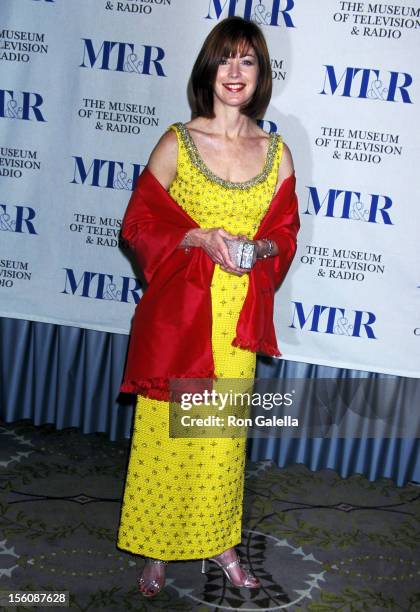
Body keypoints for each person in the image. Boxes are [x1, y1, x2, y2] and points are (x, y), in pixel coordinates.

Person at [117, 16, 300, 598]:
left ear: (261, 73)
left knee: (220, 446)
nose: (235, 72)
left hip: (237, 321)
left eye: (247, 61)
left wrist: (263, 246)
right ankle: (155, 548)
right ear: (208, 68)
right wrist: (194, 237)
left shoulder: (276, 152)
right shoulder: (177, 141)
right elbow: (138, 224)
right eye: (225, 59)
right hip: (180, 319)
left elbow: (287, 232)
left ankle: (221, 543)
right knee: (166, 437)